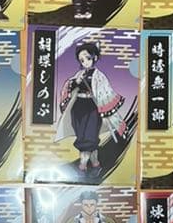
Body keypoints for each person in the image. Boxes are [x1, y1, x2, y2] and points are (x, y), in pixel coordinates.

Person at [54, 42, 126, 172]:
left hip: (92, 109)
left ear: (95, 58)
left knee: (89, 137)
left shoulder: (99, 76)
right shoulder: (79, 74)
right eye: (82, 60)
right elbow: (69, 87)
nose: (85, 62)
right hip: (78, 108)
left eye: (87, 58)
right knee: (82, 136)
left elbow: (106, 93)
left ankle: (82, 165)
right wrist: (75, 82)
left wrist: (105, 112)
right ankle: (95, 163)